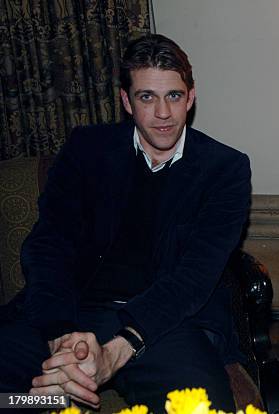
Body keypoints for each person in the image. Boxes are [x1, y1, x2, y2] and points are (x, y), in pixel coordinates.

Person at [0, 34, 251, 412]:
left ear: (191, 97)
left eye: (174, 96)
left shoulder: (224, 169)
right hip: (73, 310)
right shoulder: (87, 150)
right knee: (11, 400)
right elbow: (49, 244)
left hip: (165, 324)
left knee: (205, 407)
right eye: (147, 97)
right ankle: (50, 400)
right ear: (126, 101)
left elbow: (193, 279)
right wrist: (61, 337)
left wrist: (116, 352)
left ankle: (62, 394)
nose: (163, 113)